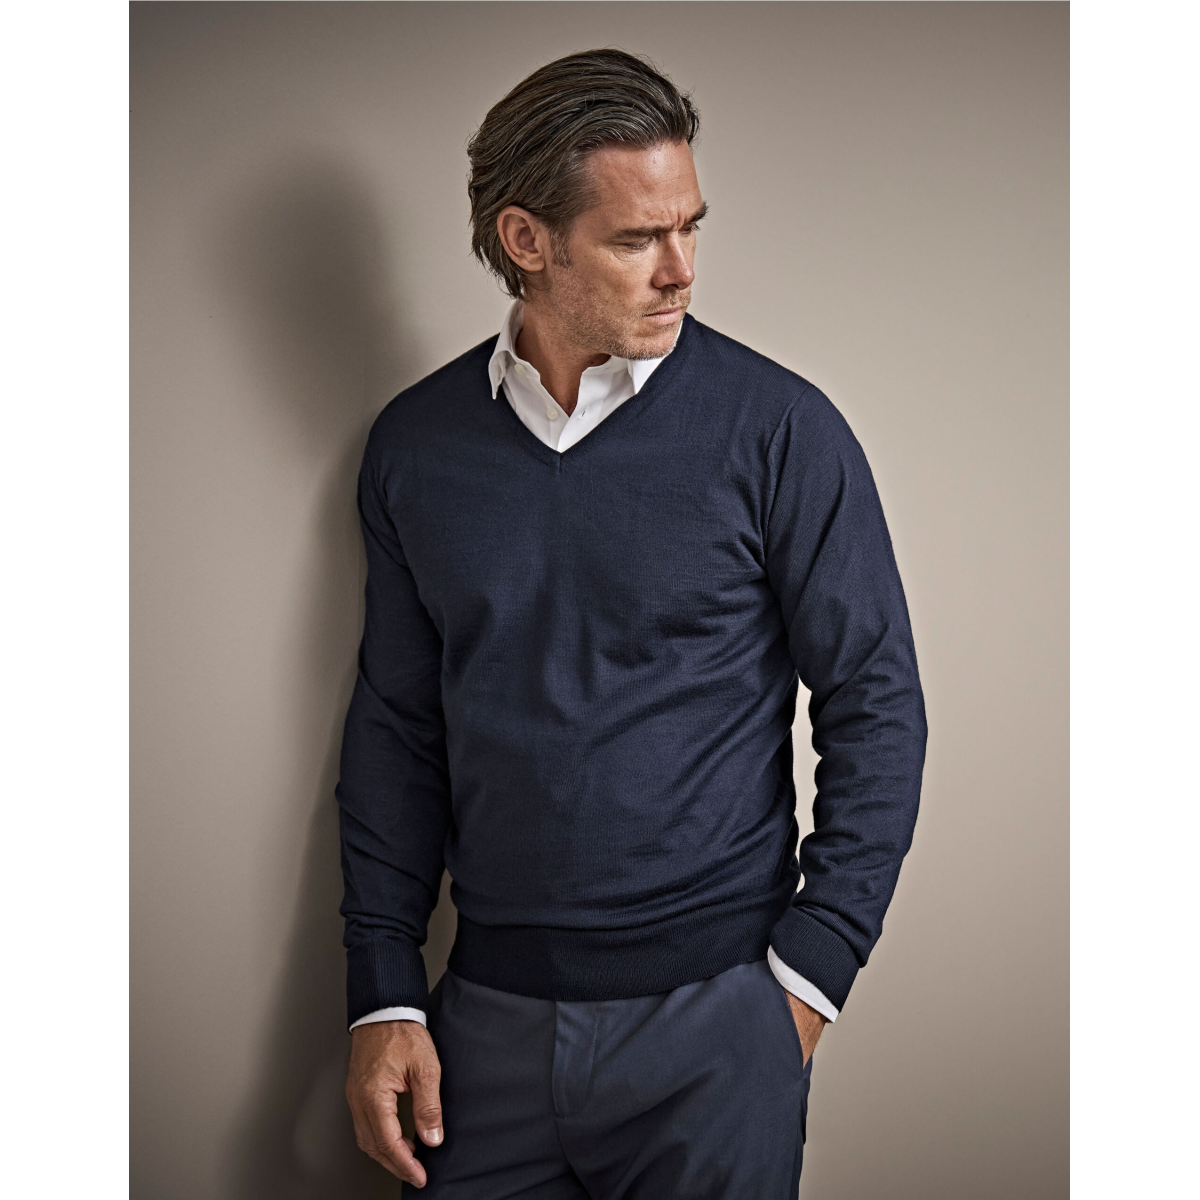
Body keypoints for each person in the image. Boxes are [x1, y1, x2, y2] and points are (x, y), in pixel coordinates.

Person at [336, 48, 926, 1198]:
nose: (681, 270)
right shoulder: (415, 448)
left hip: (717, 1026)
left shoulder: (781, 433)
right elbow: (398, 728)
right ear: (527, 239)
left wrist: (806, 984)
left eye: (690, 228)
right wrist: (384, 991)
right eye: (637, 238)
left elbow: (878, 705)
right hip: (483, 1030)